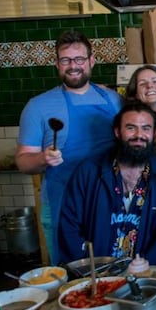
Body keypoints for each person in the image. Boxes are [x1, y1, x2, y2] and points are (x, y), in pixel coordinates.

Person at [16, 30, 122, 265]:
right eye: (66, 60)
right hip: (62, 205)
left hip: (108, 205)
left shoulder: (114, 100)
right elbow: (23, 161)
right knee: (70, 276)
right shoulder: (38, 106)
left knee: (112, 271)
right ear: (57, 64)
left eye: (79, 59)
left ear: (91, 61)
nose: (73, 66)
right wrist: (43, 159)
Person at [57, 102, 156, 264]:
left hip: (143, 273)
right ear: (117, 132)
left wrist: (149, 266)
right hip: (95, 274)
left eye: (146, 128)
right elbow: (68, 225)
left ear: (154, 133)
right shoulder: (88, 172)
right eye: (130, 128)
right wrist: (86, 268)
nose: (139, 135)